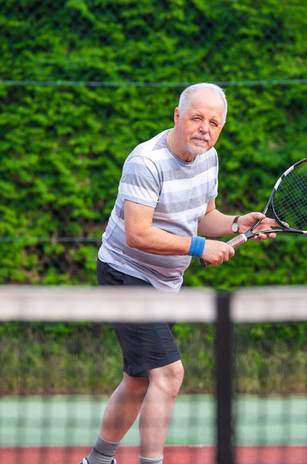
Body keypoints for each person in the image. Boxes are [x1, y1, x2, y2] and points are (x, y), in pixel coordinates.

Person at [83, 83, 277, 464]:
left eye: (214, 122)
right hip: (126, 273)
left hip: (165, 283)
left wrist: (238, 223)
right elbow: (137, 234)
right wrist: (199, 247)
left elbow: (203, 218)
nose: (205, 128)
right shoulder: (146, 162)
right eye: (196, 118)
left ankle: (97, 461)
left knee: (139, 379)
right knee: (169, 375)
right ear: (177, 116)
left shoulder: (209, 158)